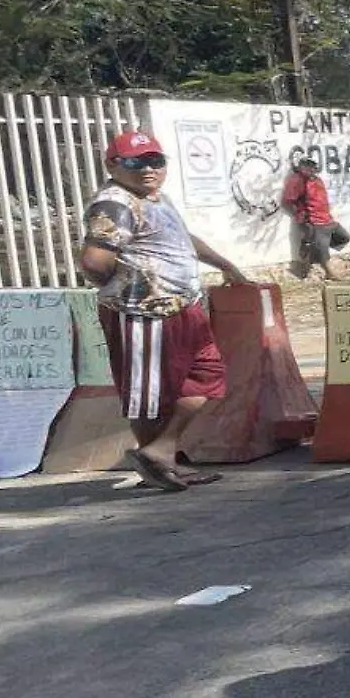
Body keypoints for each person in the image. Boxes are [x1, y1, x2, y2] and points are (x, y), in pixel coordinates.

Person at [79, 131, 249, 492]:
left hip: (180, 306)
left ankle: (161, 454)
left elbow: (183, 239)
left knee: (202, 375)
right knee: (150, 393)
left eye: (155, 161)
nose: (148, 169)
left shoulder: (154, 198)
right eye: (135, 162)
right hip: (146, 311)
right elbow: (95, 262)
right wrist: (131, 288)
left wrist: (223, 263)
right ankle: (159, 456)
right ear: (113, 165)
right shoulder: (115, 204)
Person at [280, 157, 342, 281]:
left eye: (312, 165)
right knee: (322, 247)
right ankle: (328, 272)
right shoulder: (297, 180)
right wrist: (300, 215)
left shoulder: (316, 180)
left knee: (342, 237)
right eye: (306, 165)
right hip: (312, 219)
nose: (310, 168)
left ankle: (309, 253)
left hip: (325, 217)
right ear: (301, 166)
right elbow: (287, 201)